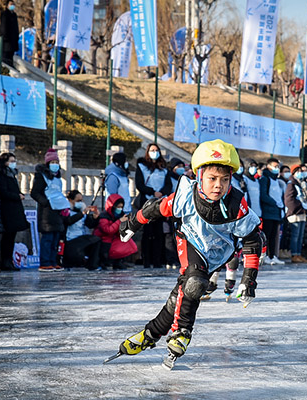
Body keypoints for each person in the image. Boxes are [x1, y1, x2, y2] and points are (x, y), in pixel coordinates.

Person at [111, 139, 264, 369]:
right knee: (194, 283)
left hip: (216, 252)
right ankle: (181, 331)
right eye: (212, 178)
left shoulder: (236, 204)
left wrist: (249, 279)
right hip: (189, 239)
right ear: (199, 175)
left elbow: (254, 239)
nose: (218, 186)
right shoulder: (186, 196)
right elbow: (155, 207)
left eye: (224, 180)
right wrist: (133, 222)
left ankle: (150, 334)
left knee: (181, 296)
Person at [30, 149, 69, 271]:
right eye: (52, 161)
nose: (55, 164)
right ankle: (45, 262)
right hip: (47, 212)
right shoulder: (41, 177)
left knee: (56, 239)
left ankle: (53, 261)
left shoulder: (57, 178)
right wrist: (45, 203)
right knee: (47, 238)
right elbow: (35, 193)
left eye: (56, 161)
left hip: (57, 211)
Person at [135, 144, 172, 268]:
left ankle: (157, 261)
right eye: (152, 150)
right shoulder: (141, 166)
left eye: (156, 150)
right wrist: (151, 192)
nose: (154, 152)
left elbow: (168, 184)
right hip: (146, 202)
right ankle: (146, 260)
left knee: (158, 233)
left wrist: (162, 193)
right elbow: (139, 184)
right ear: (147, 152)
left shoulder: (164, 168)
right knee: (147, 233)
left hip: (160, 203)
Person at [0, 152, 29, 271]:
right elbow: (3, 192)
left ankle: (9, 260)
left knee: (12, 236)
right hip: (8, 208)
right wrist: (16, 196)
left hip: (15, 208)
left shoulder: (12, 174)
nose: (13, 163)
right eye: (11, 161)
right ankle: (5, 261)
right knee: (7, 236)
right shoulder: (1, 174)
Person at [93, 194, 137, 270]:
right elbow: (108, 230)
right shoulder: (104, 216)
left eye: (121, 207)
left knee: (127, 242)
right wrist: (119, 222)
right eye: (118, 207)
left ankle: (118, 261)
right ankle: (103, 262)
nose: (120, 209)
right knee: (106, 246)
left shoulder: (121, 215)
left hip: (114, 237)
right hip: (104, 238)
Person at [62, 190, 102, 270]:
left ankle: (93, 265)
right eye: (78, 201)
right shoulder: (66, 211)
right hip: (70, 240)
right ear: (70, 200)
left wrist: (95, 217)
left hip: (81, 238)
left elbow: (90, 225)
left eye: (81, 200)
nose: (80, 203)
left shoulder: (82, 213)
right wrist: (82, 213)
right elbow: (69, 221)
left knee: (96, 240)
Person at [285, 165, 307, 263]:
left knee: (300, 235)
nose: (300, 173)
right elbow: (289, 199)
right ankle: (294, 254)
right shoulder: (291, 184)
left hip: (302, 212)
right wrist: (299, 207)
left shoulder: (301, 183)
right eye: (297, 171)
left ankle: (298, 253)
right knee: (295, 235)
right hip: (295, 212)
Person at [259, 158, 285, 265]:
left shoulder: (276, 180)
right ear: (268, 166)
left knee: (274, 236)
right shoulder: (265, 179)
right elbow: (263, 195)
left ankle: (272, 255)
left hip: (276, 212)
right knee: (267, 235)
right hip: (268, 212)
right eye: (275, 166)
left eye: (278, 166)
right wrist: (274, 203)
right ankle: (264, 255)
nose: (277, 168)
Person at [278, 165, 291, 259]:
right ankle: (280, 250)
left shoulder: (289, 182)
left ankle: (285, 249)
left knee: (287, 231)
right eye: (285, 171)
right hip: (282, 208)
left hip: (288, 209)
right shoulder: (280, 182)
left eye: (288, 171)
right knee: (281, 232)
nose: (287, 173)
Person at [0, 1, 19, 66]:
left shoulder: (14, 15)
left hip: (13, 41)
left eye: (13, 4)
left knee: (11, 57)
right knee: (5, 57)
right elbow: (3, 27)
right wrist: (5, 37)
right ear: (7, 5)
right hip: (7, 41)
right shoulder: (5, 14)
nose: (12, 6)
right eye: (11, 4)